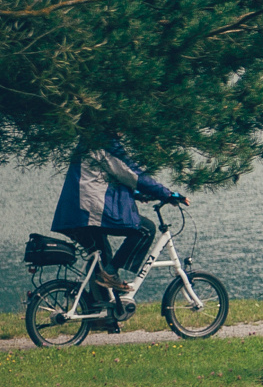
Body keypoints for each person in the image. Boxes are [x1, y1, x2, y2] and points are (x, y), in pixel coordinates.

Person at [51, 132, 183, 310]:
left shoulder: (88, 141)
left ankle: (101, 314)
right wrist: (167, 194)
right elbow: (133, 174)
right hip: (87, 211)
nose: (123, 130)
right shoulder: (104, 141)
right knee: (145, 229)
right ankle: (111, 274)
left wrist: (138, 194)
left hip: (72, 212)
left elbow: (103, 178)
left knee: (100, 261)